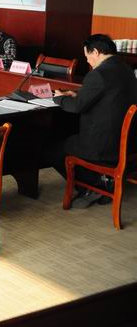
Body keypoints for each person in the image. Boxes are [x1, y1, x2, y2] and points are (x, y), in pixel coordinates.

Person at [44, 34, 137, 207]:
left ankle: (94, 185)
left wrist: (59, 98)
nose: (87, 60)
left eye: (87, 55)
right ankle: (102, 179)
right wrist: (77, 94)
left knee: (53, 150)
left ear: (95, 52)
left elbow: (77, 107)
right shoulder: (126, 70)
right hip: (126, 142)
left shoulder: (99, 74)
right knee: (69, 138)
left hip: (103, 145)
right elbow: (108, 95)